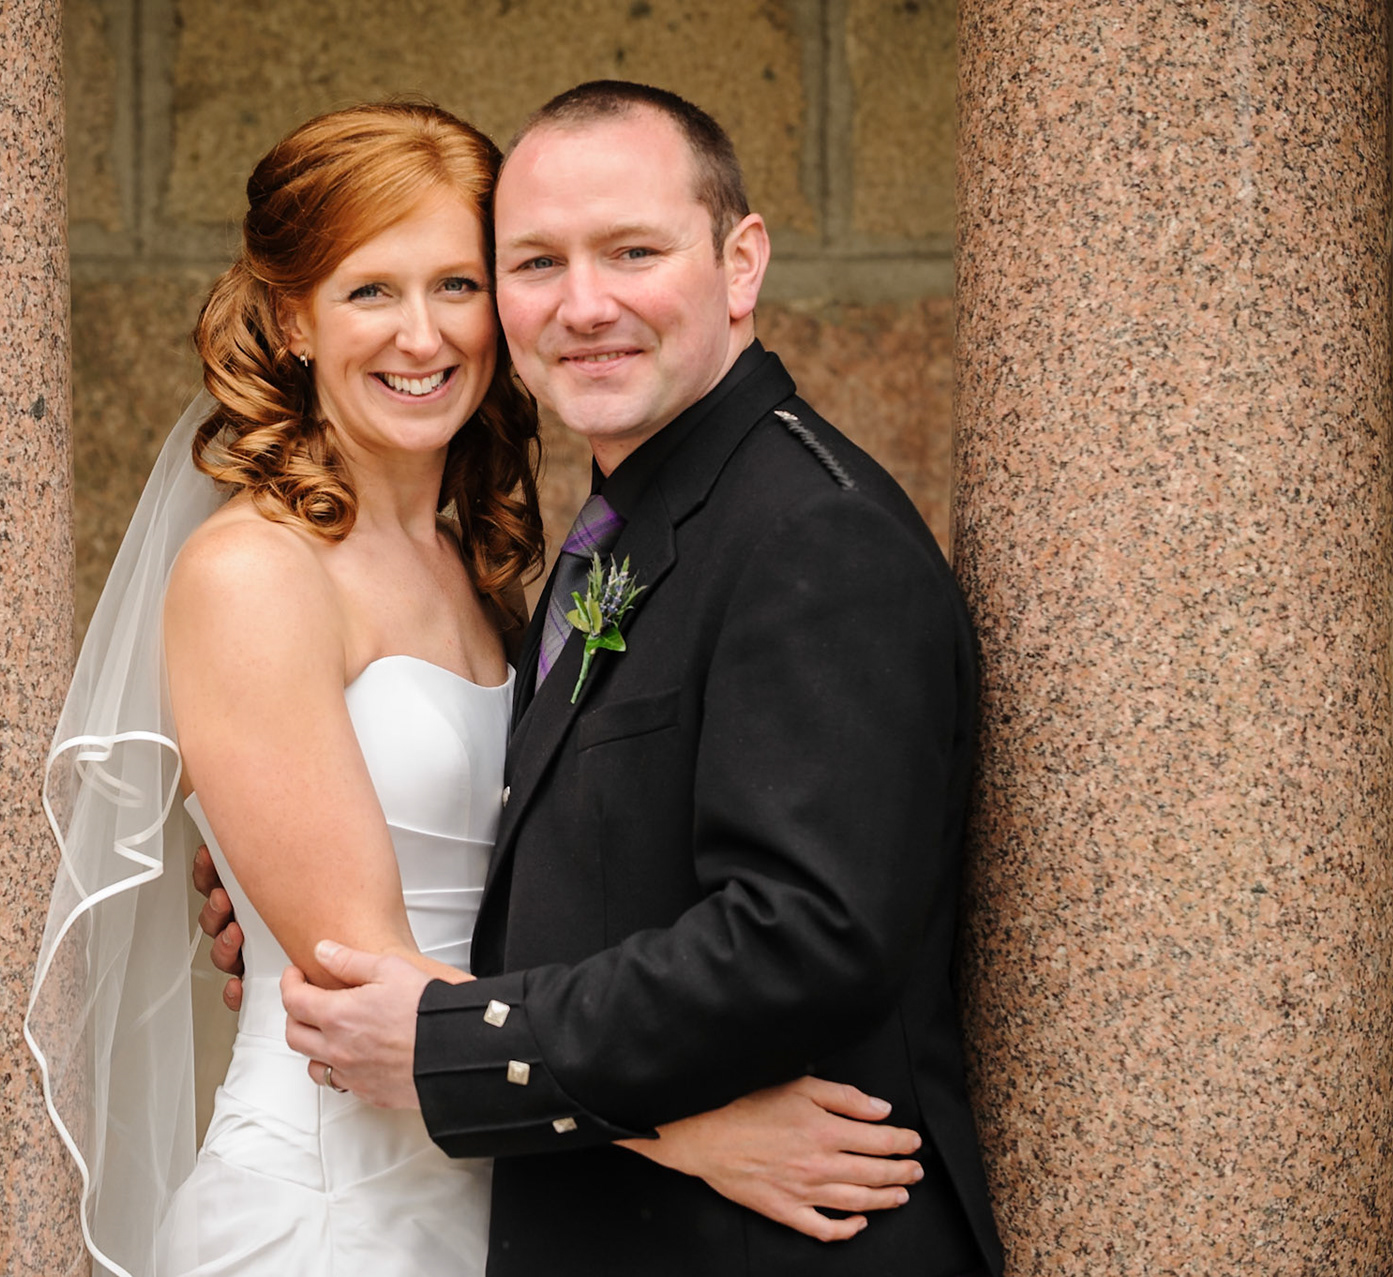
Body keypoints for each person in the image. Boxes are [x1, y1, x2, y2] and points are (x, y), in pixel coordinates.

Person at [26, 100, 925, 1277]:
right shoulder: (251, 573)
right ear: (292, 316)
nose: (422, 335)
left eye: (458, 284)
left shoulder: (487, 565)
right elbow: (366, 995)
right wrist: (701, 1135)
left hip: (510, 1185)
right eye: (369, 291)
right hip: (336, 1206)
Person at [270, 82, 1007, 1276]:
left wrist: (462, 1041)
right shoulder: (625, 524)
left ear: (741, 260)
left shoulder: (814, 534)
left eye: (632, 252)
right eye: (537, 263)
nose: (585, 304)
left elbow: (803, 934)